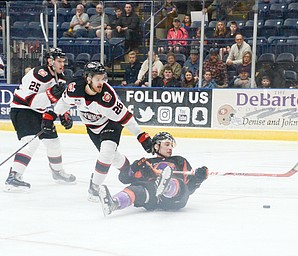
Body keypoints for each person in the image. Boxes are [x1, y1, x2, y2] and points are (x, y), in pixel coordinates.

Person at [41, 62, 153, 201]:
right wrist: (51, 115)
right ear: (88, 79)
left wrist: (141, 136)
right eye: (97, 79)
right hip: (92, 128)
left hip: (111, 124)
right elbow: (64, 102)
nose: (101, 83)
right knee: (112, 156)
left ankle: (94, 186)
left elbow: (126, 117)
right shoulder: (74, 89)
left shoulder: (108, 97)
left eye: (103, 79)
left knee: (106, 152)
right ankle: (127, 170)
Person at [5, 48, 76, 192]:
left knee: (53, 143)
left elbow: (59, 100)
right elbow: (32, 101)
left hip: (40, 112)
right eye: (59, 61)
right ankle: (13, 177)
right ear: (50, 61)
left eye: (63, 61)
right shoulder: (38, 74)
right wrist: (51, 94)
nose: (62, 64)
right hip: (23, 110)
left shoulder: (60, 77)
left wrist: (64, 113)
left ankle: (57, 173)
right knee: (31, 142)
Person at [98, 132, 209, 216]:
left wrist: (198, 178)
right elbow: (123, 178)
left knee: (176, 182)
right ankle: (114, 203)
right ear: (156, 146)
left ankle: (167, 187)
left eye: (171, 145)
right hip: (152, 197)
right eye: (167, 144)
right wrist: (134, 167)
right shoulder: (147, 162)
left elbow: (188, 187)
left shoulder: (179, 161)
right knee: (138, 189)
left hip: (175, 199)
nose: (170, 147)